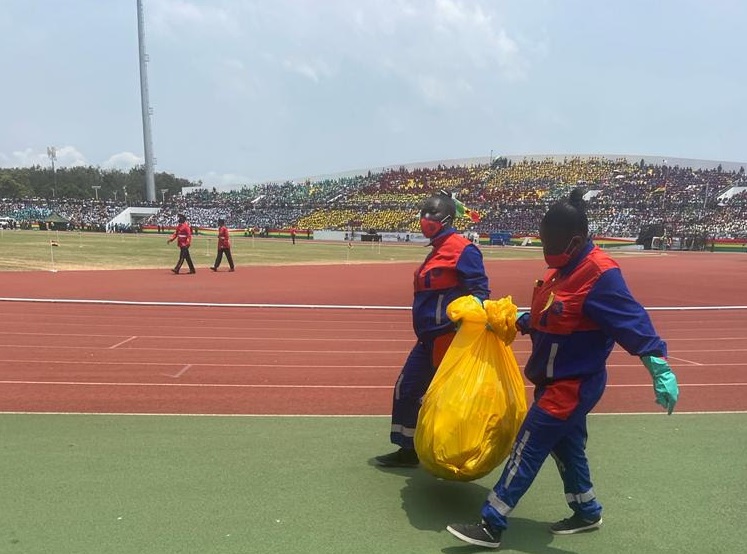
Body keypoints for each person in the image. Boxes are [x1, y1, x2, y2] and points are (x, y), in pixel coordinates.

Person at [446, 189, 680, 549]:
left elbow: (632, 320)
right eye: (544, 240)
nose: (545, 248)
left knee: (529, 445)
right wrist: (513, 323)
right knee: (566, 448)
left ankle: (491, 522)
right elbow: (548, 316)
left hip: (572, 384)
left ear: (575, 240)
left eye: (551, 241)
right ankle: (587, 511)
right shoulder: (561, 272)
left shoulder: (600, 274)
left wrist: (659, 367)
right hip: (553, 380)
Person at [375, 193, 490, 467]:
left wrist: (465, 319)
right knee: (407, 388)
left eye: (432, 213)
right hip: (426, 339)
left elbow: (481, 291)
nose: (425, 218)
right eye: (424, 212)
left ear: (448, 219)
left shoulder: (463, 249)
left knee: (445, 400)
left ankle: (452, 454)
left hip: (448, 338)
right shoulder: (435, 251)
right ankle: (407, 450)